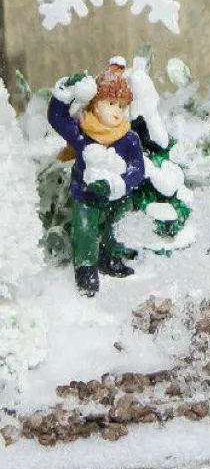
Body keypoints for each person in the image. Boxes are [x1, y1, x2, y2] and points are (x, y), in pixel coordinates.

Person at [47, 60, 148, 298]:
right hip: (86, 193)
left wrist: (119, 184)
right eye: (111, 103)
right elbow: (57, 118)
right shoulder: (83, 133)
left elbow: (137, 168)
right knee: (85, 228)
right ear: (95, 103)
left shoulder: (129, 138)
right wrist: (65, 91)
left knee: (119, 221)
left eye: (122, 105)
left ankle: (110, 256)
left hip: (117, 195)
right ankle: (86, 269)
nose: (117, 110)